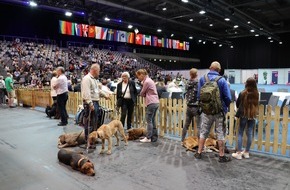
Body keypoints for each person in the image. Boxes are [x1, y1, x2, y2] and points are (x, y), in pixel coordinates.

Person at [195, 61, 232, 162]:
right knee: (220, 132)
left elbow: (198, 95)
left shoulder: (202, 79)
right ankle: (221, 155)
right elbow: (228, 97)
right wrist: (225, 106)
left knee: (204, 131)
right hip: (219, 111)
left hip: (206, 111)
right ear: (219, 70)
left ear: (210, 67)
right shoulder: (222, 80)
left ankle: (199, 152)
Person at [81, 64, 110, 141]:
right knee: (90, 122)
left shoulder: (94, 79)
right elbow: (86, 93)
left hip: (95, 102)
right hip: (91, 103)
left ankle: (93, 139)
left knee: (94, 122)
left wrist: (105, 95)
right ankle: (88, 140)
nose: (99, 72)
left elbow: (98, 91)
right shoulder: (87, 79)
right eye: (99, 71)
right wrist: (90, 104)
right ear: (95, 70)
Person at [232, 77, 259, 160]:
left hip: (243, 115)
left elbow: (238, 104)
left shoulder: (243, 93)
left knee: (240, 132)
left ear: (246, 84)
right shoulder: (257, 93)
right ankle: (247, 152)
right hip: (252, 115)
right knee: (250, 133)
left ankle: (239, 153)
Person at [136, 69, 159, 143]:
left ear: (142, 75)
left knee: (149, 120)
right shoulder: (150, 80)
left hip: (151, 102)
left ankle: (148, 137)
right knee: (152, 120)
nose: (138, 78)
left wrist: (143, 93)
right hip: (155, 102)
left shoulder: (147, 82)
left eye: (138, 76)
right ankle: (154, 137)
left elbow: (142, 93)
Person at [181, 68, 200, 144]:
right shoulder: (198, 83)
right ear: (196, 74)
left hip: (188, 106)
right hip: (196, 107)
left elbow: (184, 93)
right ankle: (200, 143)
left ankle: (182, 140)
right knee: (199, 126)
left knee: (186, 125)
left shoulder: (187, 83)